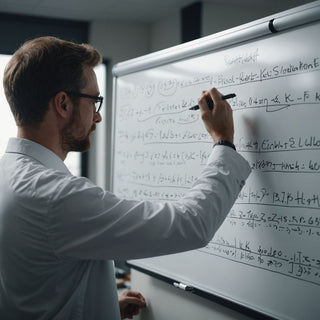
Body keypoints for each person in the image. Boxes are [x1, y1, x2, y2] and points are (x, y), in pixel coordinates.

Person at [0, 36, 251, 320]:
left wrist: (102, 304)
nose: (98, 118)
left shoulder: (8, 172)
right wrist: (223, 143)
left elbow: (33, 285)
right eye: (94, 101)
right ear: (63, 104)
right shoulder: (55, 197)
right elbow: (191, 223)